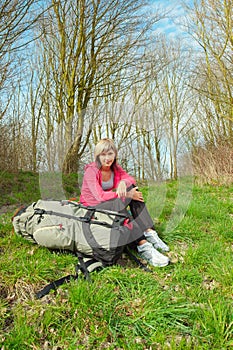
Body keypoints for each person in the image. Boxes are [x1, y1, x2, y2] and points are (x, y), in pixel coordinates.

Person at [80, 138, 170, 267]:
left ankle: (149, 232)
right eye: (103, 154)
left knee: (133, 189)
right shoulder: (91, 171)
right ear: (97, 156)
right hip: (92, 206)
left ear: (115, 154)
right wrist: (128, 195)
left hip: (109, 202)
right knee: (121, 201)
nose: (107, 158)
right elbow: (99, 196)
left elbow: (130, 179)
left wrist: (123, 183)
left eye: (110, 154)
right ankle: (143, 245)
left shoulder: (115, 168)